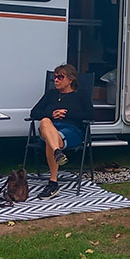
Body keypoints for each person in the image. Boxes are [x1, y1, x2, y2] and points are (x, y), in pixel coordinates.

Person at [28, 64, 93, 199]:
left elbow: (90, 115)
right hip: (49, 128)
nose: (56, 80)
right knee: (45, 121)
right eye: (55, 77)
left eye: (60, 77)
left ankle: (53, 183)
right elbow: (34, 112)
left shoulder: (81, 95)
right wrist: (52, 114)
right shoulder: (50, 94)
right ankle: (57, 153)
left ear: (70, 79)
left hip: (71, 130)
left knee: (50, 140)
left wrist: (67, 114)